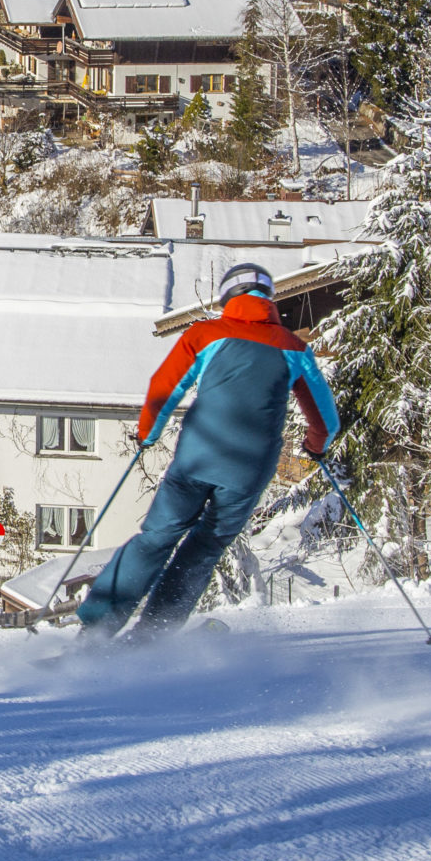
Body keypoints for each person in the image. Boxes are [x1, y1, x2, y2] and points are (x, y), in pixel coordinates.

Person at [76, 262, 340, 639]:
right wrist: (315, 448)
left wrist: (148, 433)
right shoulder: (294, 348)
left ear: (227, 297)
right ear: (269, 299)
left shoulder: (207, 334)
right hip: (248, 471)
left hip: (197, 458)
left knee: (156, 537)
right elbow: (326, 423)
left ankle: (98, 627)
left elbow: (165, 386)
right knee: (206, 546)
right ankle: (155, 633)